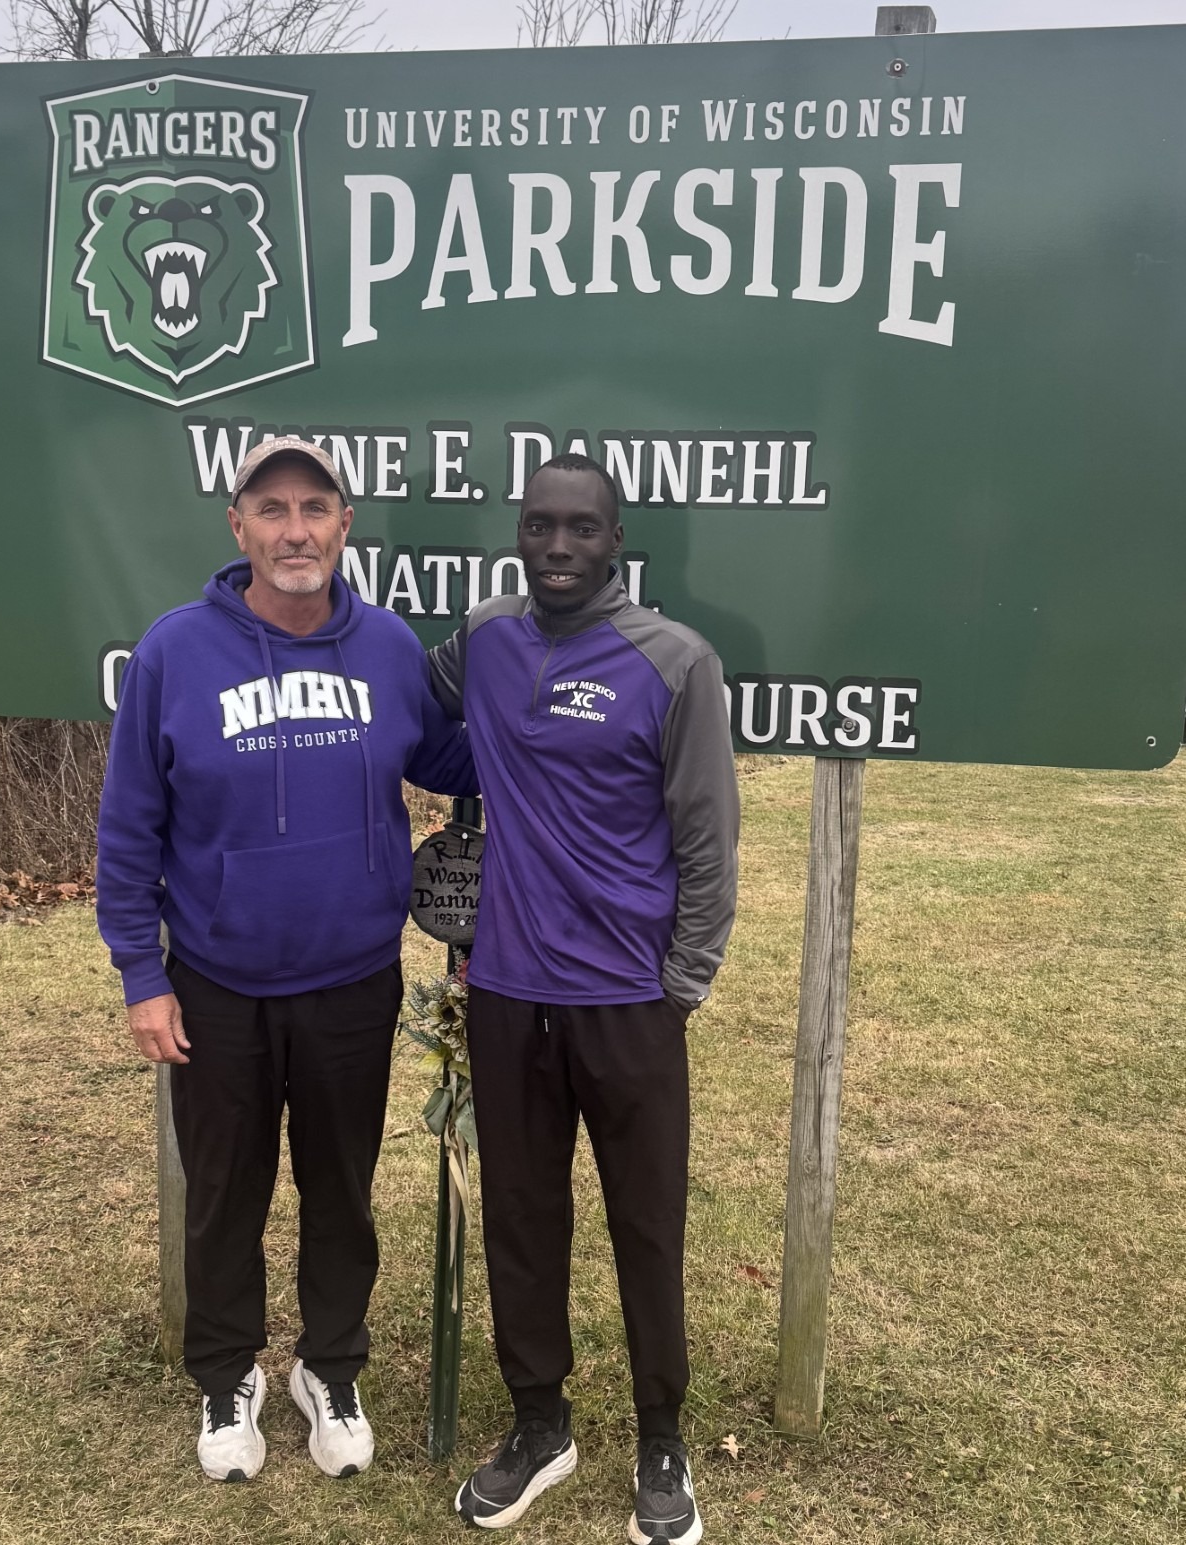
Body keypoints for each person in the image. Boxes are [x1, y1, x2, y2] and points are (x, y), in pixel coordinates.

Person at [95, 436, 474, 1484]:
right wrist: (142, 973)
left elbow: (454, 757)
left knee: (341, 1187)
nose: (295, 529)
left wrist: (546, 702)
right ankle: (228, 1373)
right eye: (273, 509)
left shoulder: (391, 649)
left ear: (346, 524)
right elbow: (128, 827)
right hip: (215, 982)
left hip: (353, 976)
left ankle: (329, 1366)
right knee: (224, 1190)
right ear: (239, 527)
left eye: (316, 507)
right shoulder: (177, 651)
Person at [428, 452, 739, 1544]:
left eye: (582, 529)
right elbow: (402, 697)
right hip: (509, 992)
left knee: (645, 1225)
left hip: (628, 1005)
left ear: (617, 540)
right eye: (539, 526)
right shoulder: (485, 641)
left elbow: (708, 842)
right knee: (521, 1217)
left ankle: (663, 1436)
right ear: (520, 533)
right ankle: (538, 1424)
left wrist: (680, 987)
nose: (558, 548)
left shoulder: (675, 662)